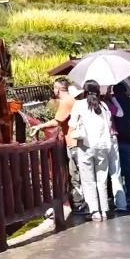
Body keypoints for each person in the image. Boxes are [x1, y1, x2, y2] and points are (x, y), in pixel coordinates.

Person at [29, 78, 87, 214]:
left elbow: (56, 121)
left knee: (76, 175)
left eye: (54, 88)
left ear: (57, 88)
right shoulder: (73, 100)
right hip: (78, 142)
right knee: (81, 173)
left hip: (73, 142)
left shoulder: (66, 102)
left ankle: (81, 205)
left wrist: (39, 126)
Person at [69, 81, 114, 222]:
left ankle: (94, 211)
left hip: (86, 146)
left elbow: (72, 124)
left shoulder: (79, 104)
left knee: (88, 180)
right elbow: (109, 124)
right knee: (102, 179)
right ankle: (104, 209)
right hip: (103, 145)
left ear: (84, 91)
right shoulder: (103, 105)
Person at [112, 82, 130, 210]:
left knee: (115, 169)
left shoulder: (112, 102)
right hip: (128, 136)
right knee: (128, 168)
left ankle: (118, 196)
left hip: (116, 138)